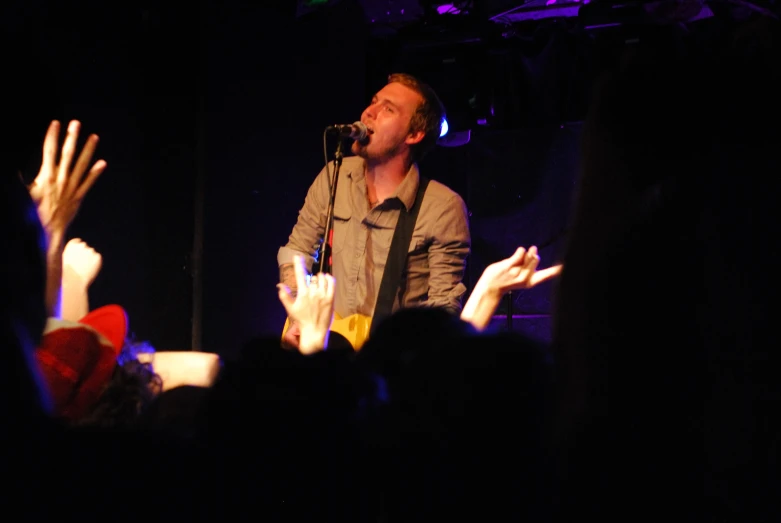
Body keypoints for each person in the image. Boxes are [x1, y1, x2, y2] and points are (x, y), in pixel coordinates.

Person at [278, 73, 471, 349]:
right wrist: (299, 314)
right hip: (328, 348)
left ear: (414, 135)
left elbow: (443, 307)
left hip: (392, 360)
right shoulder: (335, 174)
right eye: (373, 102)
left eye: (388, 109)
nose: (370, 112)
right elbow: (297, 250)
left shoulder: (442, 207)